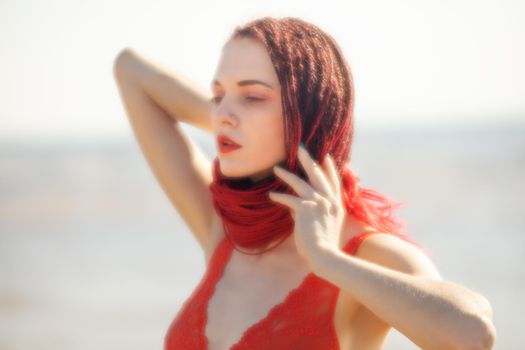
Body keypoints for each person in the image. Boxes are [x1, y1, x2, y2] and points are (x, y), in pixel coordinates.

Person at [113, 16, 496, 350]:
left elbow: (471, 336)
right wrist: (233, 119)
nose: (224, 113)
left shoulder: (365, 252)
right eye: (218, 95)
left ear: (309, 110)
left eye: (252, 96)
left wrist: (327, 260)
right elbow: (131, 70)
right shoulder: (227, 231)